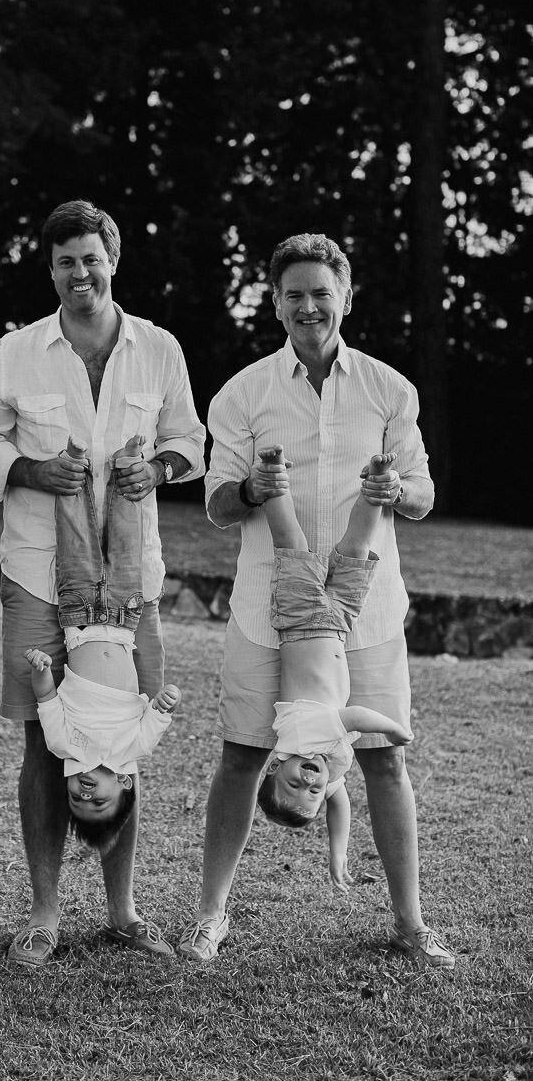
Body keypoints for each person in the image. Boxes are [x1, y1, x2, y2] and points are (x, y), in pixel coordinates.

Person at [179, 232, 455, 969]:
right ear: (276, 303)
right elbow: (214, 504)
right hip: (268, 605)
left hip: (367, 605)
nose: (309, 307)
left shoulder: (391, 390)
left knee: (384, 765)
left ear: (346, 298)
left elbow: (424, 493)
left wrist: (398, 491)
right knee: (241, 757)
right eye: (294, 294)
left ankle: (409, 923)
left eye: (321, 294)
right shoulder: (242, 393)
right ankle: (211, 916)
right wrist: (248, 492)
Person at [0, 199, 206, 968]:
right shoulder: (15, 352)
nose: (82, 272)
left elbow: (190, 439)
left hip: (132, 577)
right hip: (35, 570)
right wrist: (32, 470)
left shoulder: (160, 348)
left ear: (114, 260)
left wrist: (164, 467)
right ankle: (44, 912)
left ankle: (122, 910)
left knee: (120, 740)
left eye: (92, 258)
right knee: (43, 745)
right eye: (66, 261)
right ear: (51, 269)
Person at [254, 445, 412, 889]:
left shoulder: (298, 738)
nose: (310, 782)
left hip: (301, 620)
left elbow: (356, 717)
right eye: (312, 791)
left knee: (292, 545)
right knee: (356, 549)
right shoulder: (327, 762)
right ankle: (377, 481)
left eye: (295, 783)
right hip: (339, 623)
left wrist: (397, 732)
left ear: (275, 767)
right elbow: (338, 800)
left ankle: (272, 477)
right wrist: (336, 853)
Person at [25, 436, 183, 853]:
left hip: (77, 615)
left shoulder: (62, 746)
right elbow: (159, 713)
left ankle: (74, 468)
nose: (85, 792)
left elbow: (47, 702)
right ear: (124, 783)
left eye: (78, 800)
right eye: (99, 800)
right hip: (126, 617)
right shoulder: (136, 747)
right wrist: (166, 701)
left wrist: (42, 672)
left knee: (75, 539)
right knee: (126, 541)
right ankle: (127, 464)